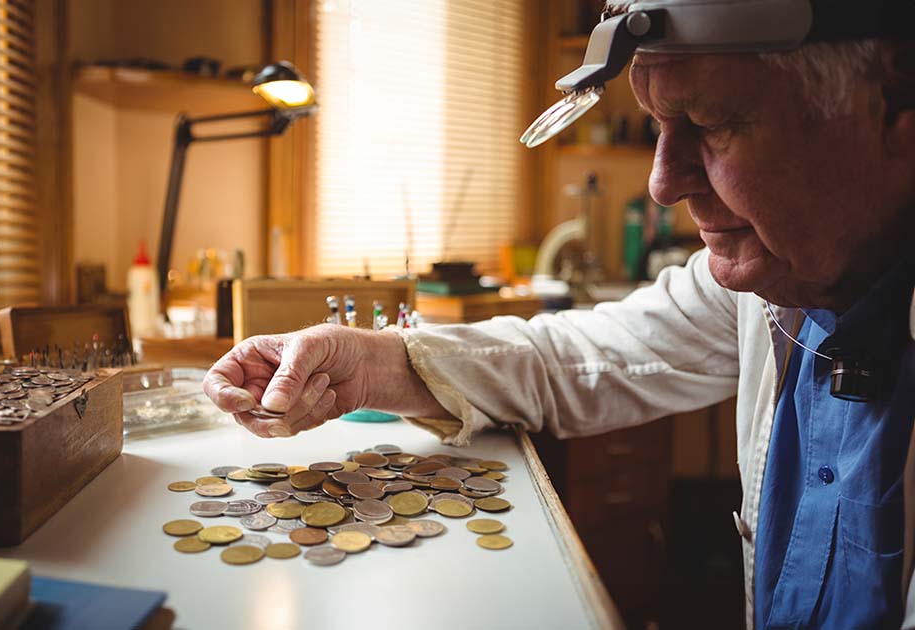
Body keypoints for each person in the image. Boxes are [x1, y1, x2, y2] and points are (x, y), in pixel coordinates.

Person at [204, 1, 915, 627]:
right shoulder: (766, 285)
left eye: (713, 122)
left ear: (890, 102)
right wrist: (365, 362)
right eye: (660, 124)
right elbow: (575, 358)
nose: (664, 183)